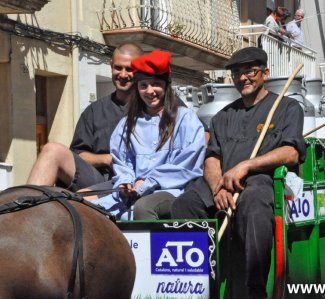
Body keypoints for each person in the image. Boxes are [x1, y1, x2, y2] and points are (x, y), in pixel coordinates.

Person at [171, 47, 306, 299]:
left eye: (250, 71)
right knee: (184, 204)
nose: (243, 77)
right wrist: (217, 187)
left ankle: (255, 289)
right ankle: (195, 284)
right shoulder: (222, 117)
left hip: (258, 181)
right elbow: (212, 157)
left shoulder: (287, 108)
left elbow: (291, 152)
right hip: (221, 185)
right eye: (236, 73)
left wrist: (246, 165)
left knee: (254, 202)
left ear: (265, 73)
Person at [90, 50, 205, 220]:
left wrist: (148, 182)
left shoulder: (186, 119)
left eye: (156, 84)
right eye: (143, 85)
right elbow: (122, 162)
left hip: (172, 192)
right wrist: (125, 182)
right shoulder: (126, 124)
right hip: (131, 195)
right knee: (89, 212)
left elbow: (187, 166)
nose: (150, 91)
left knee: (142, 208)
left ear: (166, 85)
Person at [27, 43, 143, 191]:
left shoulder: (155, 108)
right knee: (51, 150)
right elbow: (78, 153)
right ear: (111, 66)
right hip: (101, 180)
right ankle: (27, 206)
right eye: (118, 68)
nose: (123, 75)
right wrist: (107, 159)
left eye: (130, 69)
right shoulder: (94, 111)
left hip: (141, 181)